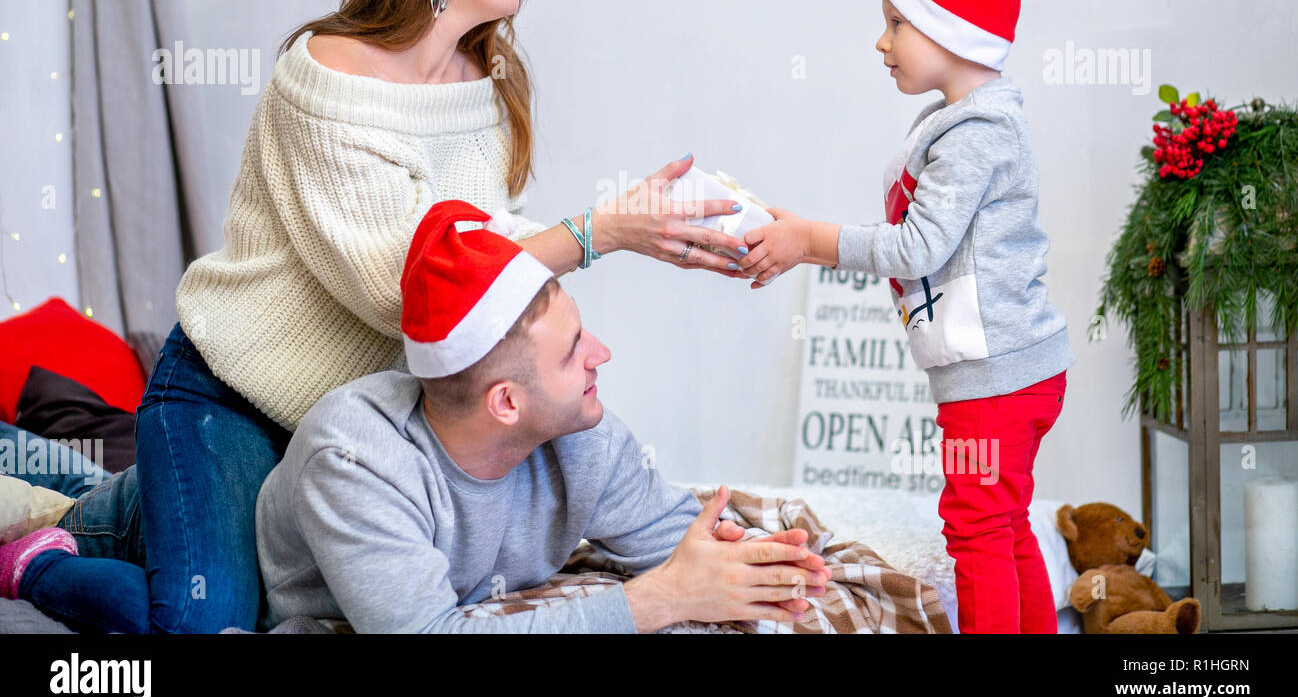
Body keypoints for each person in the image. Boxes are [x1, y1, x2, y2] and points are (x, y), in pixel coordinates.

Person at [1, 0, 753, 634]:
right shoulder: (322, 79)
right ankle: (45, 552)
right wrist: (606, 228)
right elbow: (409, 290)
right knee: (208, 623)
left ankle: (123, 499)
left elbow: (480, 242)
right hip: (234, 396)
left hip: (354, 420)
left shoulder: (484, 77)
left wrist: (643, 225)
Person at [3, 201, 831, 633]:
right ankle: (38, 563)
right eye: (575, 344)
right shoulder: (358, 455)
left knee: (69, 467)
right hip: (161, 519)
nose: (602, 356)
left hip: (266, 488)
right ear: (505, 402)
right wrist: (652, 605)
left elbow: (675, 542)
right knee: (174, 607)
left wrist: (761, 567)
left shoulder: (582, 431)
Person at [735, 0, 1076, 633]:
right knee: (1005, 525)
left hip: (995, 381)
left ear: (956, 32)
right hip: (1017, 372)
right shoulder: (967, 122)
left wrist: (810, 241)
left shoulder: (975, 133)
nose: (881, 42)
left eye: (897, 23)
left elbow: (920, 245)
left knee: (978, 531)